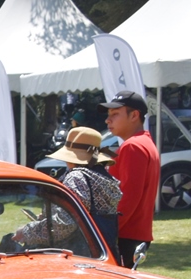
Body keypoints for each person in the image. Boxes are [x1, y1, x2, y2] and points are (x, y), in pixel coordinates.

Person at [12, 127, 121, 258]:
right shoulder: (103, 178)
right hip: (103, 252)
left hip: (77, 256)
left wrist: (27, 232)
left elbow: (64, 224)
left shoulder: (76, 177)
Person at [102, 90, 160, 268]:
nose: (108, 120)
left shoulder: (133, 146)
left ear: (134, 115)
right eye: (108, 115)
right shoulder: (143, 143)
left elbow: (127, 197)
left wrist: (106, 232)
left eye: (115, 114)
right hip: (133, 234)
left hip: (124, 235)